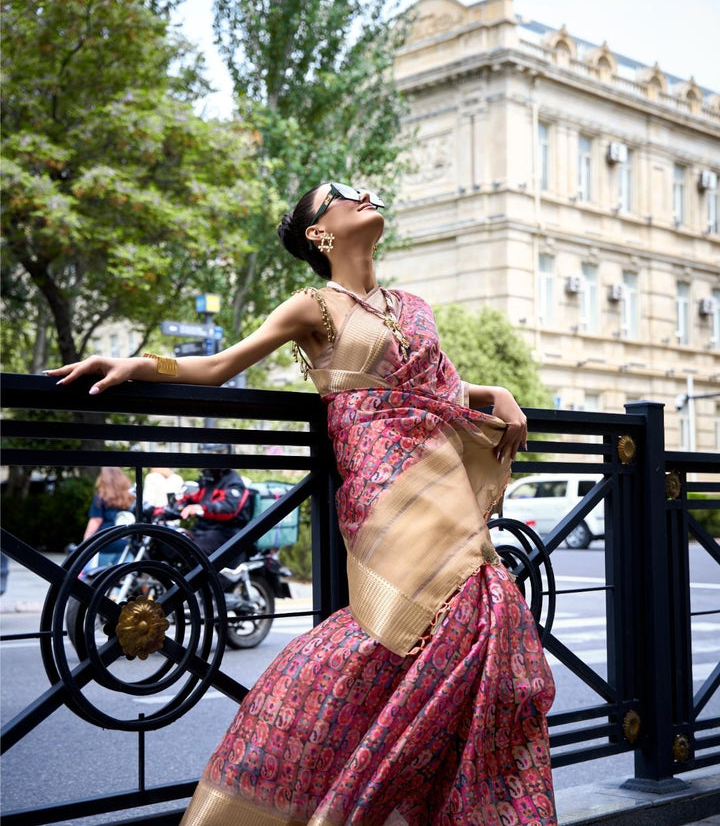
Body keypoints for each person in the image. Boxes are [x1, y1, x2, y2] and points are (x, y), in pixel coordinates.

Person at [46, 181, 556, 825]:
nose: (364, 192)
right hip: (381, 486)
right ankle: (285, 782)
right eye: (342, 194)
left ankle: (438, 801)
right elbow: (220, 366)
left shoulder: (414, 304)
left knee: (480, 622)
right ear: (320, 233)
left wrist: (497, 391)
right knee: (389, 636)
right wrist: (138, 364)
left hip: (442, 473)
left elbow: (440, 384)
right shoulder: (311, 307)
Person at [178, 467, 255, 559]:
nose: (204, 470)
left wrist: (201, 508)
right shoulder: (207, 481)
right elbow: (188, 498)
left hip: (226, 532)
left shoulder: (234, 483)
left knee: (193, 552)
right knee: (177, 544)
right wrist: (169, 508)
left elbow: (229, 508)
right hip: (202, 529)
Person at [83, 466, 135, 565]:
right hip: (126, 541)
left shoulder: (101, 496)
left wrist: (86, 541)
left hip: (105, 541)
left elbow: (96, 520)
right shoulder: (130, 496)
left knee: (100, 574)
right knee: (121, 573)